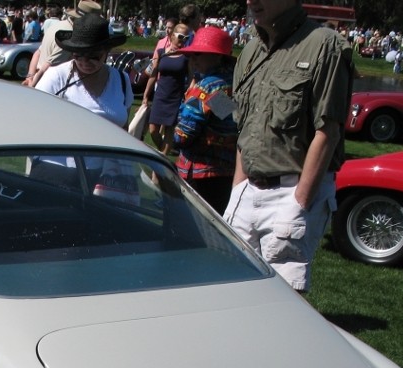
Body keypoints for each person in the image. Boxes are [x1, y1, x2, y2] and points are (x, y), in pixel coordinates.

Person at [223, 0, 352, 294]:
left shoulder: (323, 46)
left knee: (280, 302)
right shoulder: (252, 51)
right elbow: (246, 128)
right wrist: (237, 190)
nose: (250, 2)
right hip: (248, 190)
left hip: (290, 192)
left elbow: (328, 132)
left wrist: (299, 203)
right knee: (234, 293)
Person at [173, 25, 237, 213]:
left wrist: (176, 135)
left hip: (198, 173)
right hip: (225, 172)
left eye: (199, 54)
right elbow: (231, 123)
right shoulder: (231, 83)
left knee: (189, 226)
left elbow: (183, 135)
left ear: (217, 56)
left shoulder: (205, 88)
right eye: (192, 54)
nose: (193, 58)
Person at [35, 13, 131, 128]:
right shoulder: (56, 77)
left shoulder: (122, 80)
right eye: (78, 55)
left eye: (94, 56)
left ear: (107, 51)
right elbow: (36, 119)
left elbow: (124, 128)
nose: (85, 62)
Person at [24, 0, 101, 88]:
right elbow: (47, 67)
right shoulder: (69, 37)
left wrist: (30, 76)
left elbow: (38, 53)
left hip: (41, 79)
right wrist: (32, 87)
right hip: (48, 85)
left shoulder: (57, 26)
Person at [141, 22, 188, 153]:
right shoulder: (161, 53)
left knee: (169, 129)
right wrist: (145, 95)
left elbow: (191, 80)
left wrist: (188, 96)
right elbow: (153, 75)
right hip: (160, 95)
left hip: (176, 98)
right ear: (173, 36)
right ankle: (163, 152)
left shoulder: (186, 57)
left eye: (186, 38)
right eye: (181, 36)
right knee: (153, 129)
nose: (183, 40)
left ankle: (163, 158)